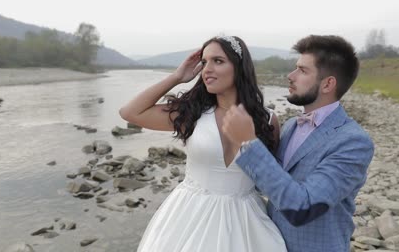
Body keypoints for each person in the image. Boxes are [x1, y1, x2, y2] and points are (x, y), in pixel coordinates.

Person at [119, 35, 287, 252]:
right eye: (205, 62)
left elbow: (270, 179)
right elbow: (130, 112)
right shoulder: (192, 114)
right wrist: (177, 77)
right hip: (189, 216)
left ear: (239, 67)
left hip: (247, 221)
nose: (207, 68)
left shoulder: (267, 119)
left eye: (218, 61)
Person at [222, 35, 375, 252]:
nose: (290, 76)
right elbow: (267, 183)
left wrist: (249, 142)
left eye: (302, 71)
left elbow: (303, 207)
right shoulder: (292, 125)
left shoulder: (353, 141)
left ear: (328, 84)